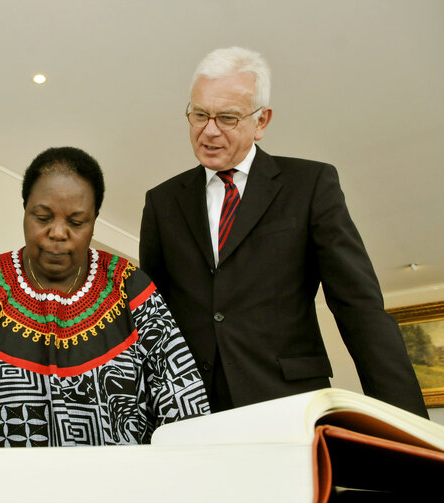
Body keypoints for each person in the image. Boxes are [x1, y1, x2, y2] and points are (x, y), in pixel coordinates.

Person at [139, 47, 428, 417]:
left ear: (261, 121)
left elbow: (359, 307)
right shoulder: (163, 203)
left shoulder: (310, 185)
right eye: (199, 115)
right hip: (192, 410)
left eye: (226, 117)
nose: (208, 131)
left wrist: (406, 423)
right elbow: (154, 321)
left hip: (289, 404)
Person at [0, 147, 208, 472]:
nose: (57, 232)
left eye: (77, 221)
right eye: (42, 218)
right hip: (4, 490)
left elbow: (181, 393)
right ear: (24, 210)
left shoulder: (131, 287)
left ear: (94, 222)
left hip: (117, 489)